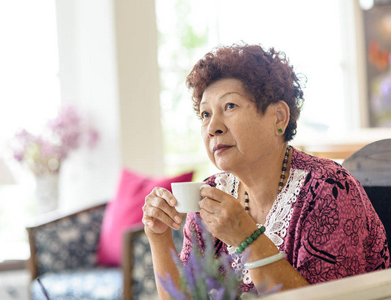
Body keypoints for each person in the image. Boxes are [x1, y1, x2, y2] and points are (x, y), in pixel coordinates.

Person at [142, 42, 390, 297]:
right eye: (205, 114)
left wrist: (246, 237)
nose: (212, 126)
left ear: (279, 118)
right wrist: (158, 237)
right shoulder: (209, 194)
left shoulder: (329, 190)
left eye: (230, 106)